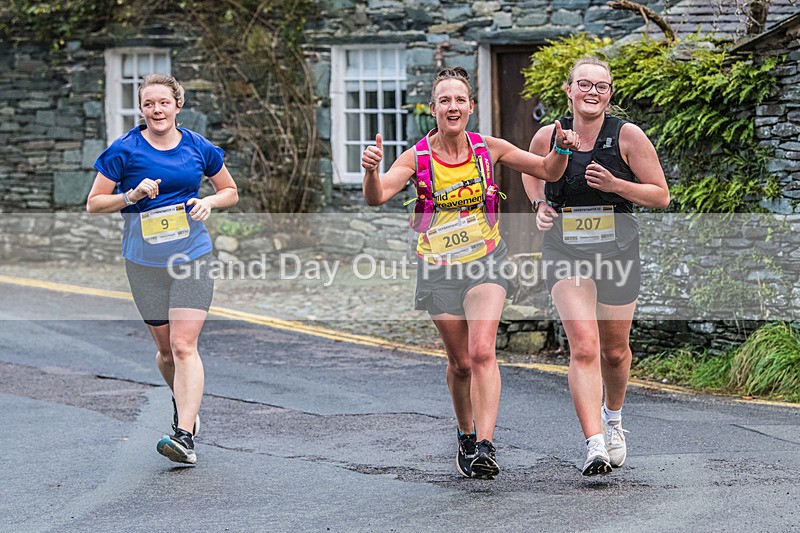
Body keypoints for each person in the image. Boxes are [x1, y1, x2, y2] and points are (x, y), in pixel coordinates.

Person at [362, 67, 578, 479]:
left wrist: (562, 148)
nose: (453, 106)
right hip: (439, 268)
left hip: (486, 260)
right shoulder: (417, 157)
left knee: (482, 352)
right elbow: (378, 196)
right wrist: (372, 170)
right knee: (460, 363)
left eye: (460, 99)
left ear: (471, 107)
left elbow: (547, 171)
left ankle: (485, 445)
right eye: (445, 100)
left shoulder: (488, 148)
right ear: (433, 109)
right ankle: (464, 431)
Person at [522, 57, 670, 476]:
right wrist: (540, 205)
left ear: (610, 93)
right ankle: (595, 445)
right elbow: (530, 173)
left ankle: (614, 419)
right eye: (584, 84)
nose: (592, 92)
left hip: (618, 252)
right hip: (565, 250)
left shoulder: (627, 136)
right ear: (568, 90)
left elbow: (660, 195)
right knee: (584, 346)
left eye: (601, 86)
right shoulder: (548, 136)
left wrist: (615, 185)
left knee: (615, 351)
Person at [86, 74, 238, 465]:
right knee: (166, 352)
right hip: (143, 261)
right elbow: (94, 203)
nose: (157, 110)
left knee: (185, 345)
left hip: (192, 255)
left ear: (177, 106)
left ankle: (183, 434)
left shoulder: (197, 147)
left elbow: (230, 190)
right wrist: (131, 195)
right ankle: (185, 401)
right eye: (149, 103)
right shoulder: (125, 150)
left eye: (164, 103)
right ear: (142, 109)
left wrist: (210, 203)